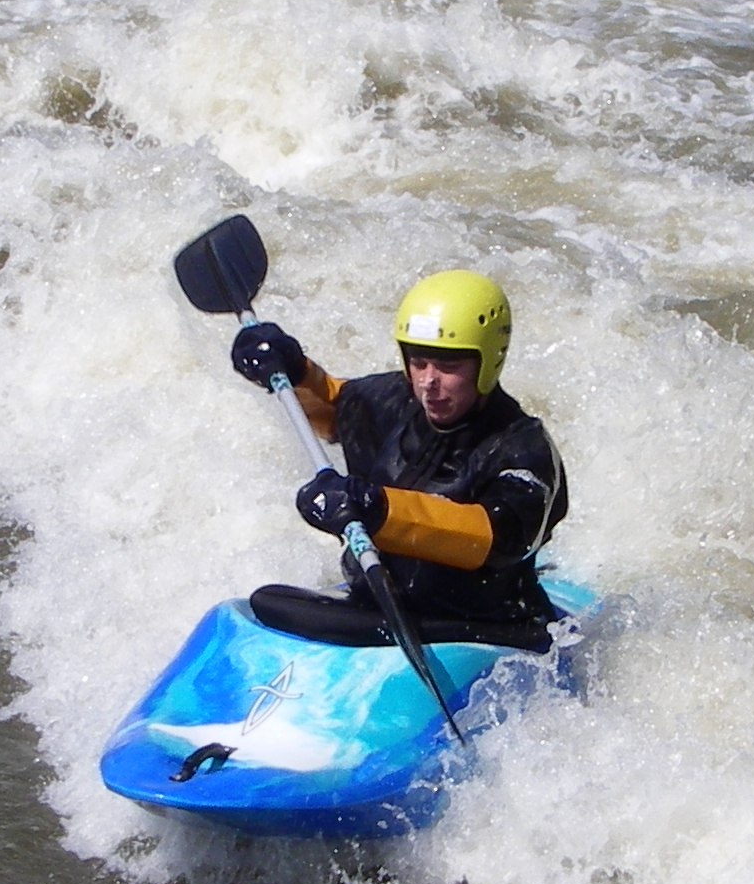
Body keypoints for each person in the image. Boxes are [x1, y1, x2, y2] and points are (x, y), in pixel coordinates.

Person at [230, 270, 570, 646]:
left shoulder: (523, 447)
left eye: (449, 366)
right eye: (418, 362)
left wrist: (378, 509)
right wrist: (294, 370)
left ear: (488, 361)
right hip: (382, 604)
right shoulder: (399, 398)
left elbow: (494, 536)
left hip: (483, 624)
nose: (428, 381)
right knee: (264, 602)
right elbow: (334, 406)